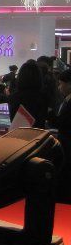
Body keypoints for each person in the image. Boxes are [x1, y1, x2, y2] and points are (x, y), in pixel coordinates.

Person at [7, 60, 48, 129]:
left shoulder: (14, 97)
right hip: (38, 133)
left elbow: (13, 119)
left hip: (19, 133)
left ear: (20, 76)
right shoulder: (44, 96)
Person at [53, 69, 71, 202]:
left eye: (61, 84)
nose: (59, 87)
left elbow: (64, 122)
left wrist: (51, 117)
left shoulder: (68, 102)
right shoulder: (66, 100)